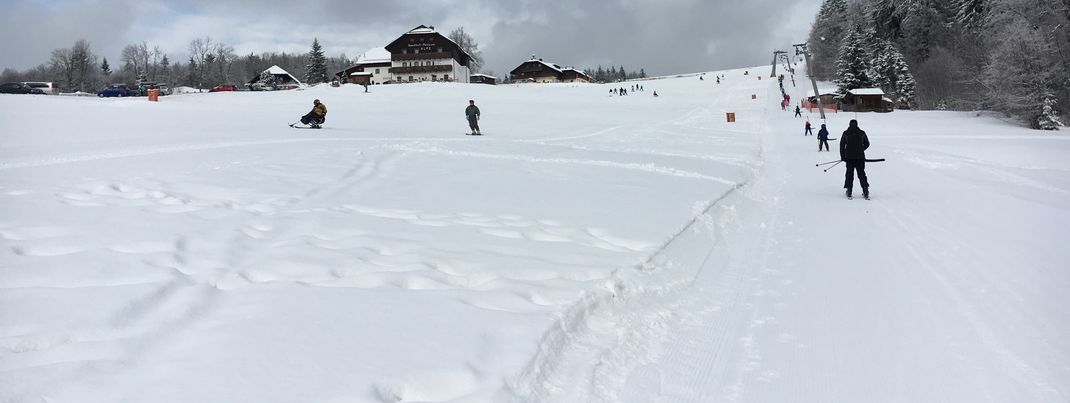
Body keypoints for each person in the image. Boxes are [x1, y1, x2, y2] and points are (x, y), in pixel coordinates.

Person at [840, 119, 871, 199]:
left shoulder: (846, 133)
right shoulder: (862, 133)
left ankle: (849, 191)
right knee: (861, 174)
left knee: (849, 174)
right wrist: (861, 149)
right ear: (857, 124)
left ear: (849, 124)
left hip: (849, 158)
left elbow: (842, 146)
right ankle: (865, 191)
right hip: (860, 157)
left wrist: (843, 156)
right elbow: (867, 143)